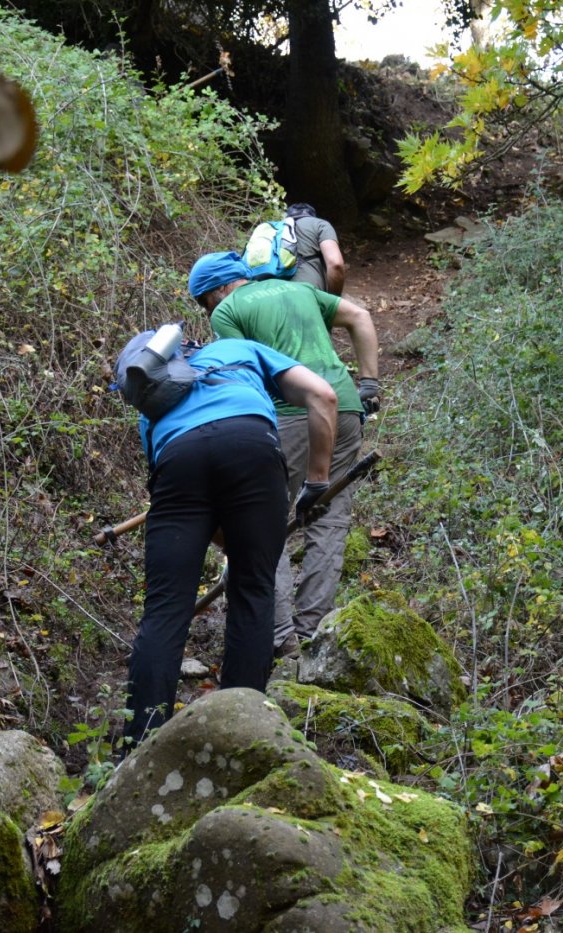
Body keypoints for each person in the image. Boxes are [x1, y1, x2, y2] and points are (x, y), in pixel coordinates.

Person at [114, 328, 337, 746]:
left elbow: (192, 511)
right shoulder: (242, 349)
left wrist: (228, 540)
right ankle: (239, 736)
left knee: (164, 610)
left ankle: (139, 745)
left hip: (177, 459)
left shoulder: (155, 410)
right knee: (254, 592)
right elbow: (323, 396)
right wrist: (317, 482)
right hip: (253, 448)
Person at [187, 251, 380, 658]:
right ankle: (312, 632)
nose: (209, 311)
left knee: (259, 521)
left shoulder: (228, 310)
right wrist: (369, 383)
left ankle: (278, 637)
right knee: (328, 518)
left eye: (205, 301)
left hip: (291, 415)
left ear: (219, 289)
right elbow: (361, 317)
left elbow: (243, 371)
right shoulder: (302, 290)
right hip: (344, 408)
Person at [285, 203, 346, 296]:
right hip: (306, 294)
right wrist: (334, 300)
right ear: (312, 215)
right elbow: (335, 264)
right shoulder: (319, 224)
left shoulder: (274, 228)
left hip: (268, 294)